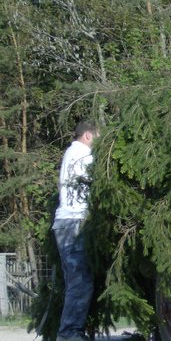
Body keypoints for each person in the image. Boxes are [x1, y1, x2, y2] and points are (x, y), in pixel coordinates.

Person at [52, 120, 99, 341]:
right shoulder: (85, 156)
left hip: (65, 224)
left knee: (76, 281)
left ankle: (70, 332)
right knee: (80, 282)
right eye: (98, 136)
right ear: (88, 135)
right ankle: (70, 334)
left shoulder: (70, 153)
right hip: (74, 224)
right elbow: (98, 181)